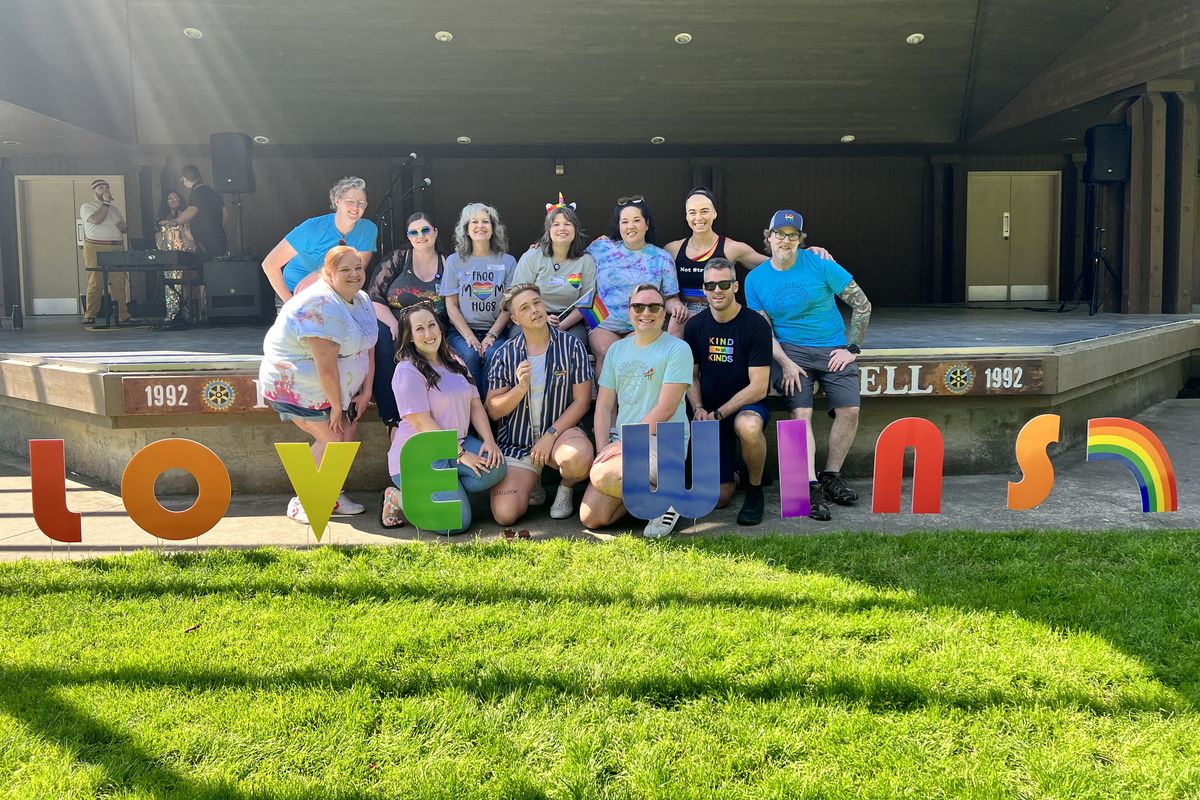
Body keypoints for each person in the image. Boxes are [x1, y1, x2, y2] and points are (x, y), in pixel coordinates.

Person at [745, 209, 872, 522]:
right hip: (789, 352)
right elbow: (764, 331)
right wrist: (785, 363)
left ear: (800, 240)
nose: (785, 240)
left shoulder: (820, 263)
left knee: (850, 411)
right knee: (799, 412)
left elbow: (862, 304)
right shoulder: (755, 279)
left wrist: (852, 348)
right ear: (768, 237)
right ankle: (809, 486)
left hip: (832, 348)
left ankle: (831, 475)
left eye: (792, 235)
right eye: (779, 234)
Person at [258, 246, 376, 524]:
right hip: (297, 388)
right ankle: (304, 499)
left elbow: (369, 345)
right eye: (345, 269)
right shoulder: (319, 305)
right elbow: (325, 365)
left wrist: (366, 390)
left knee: (346, 436)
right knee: (334, 438)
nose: (354, 274)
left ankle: (329, 494)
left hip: (338, 390)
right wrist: (337, 407)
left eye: (358, 268)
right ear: (328, 272)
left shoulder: (361, 299)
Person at [381, 303, 506, 534]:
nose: (428, 334)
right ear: (409, 338)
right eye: (419, 329)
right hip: (421, 455)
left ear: (440, 328)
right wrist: (460, 455)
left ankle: (448, 490)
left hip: (455, 444)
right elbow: (420, 421)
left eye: (431, 325)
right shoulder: (407, 370)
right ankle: (399, 498)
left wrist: (488, 439)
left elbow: (475, 403)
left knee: (496, 467)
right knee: (456, 523)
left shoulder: (455, 362)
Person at [580, 284, 693, 539]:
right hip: (624, 445)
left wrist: (623, 445)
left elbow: (666, 407)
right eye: (638, 306)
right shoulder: (617, 350)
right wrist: (602, 448)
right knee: (592, 518)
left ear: (664, 313)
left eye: (654, 307)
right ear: (629, 311)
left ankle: (666, 500)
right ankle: (655, 493)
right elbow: (605, 405)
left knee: (603, 475)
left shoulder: (677, 349)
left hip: (662, 443)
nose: (646, 312)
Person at [486, 284, 594, 525]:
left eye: (536, 302)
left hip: (559, 436)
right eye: (525, 308)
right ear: (514, 319)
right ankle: (532, 482)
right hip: (517, 443)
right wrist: (520, 388)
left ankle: (564, 489)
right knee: (505, 515)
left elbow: (582, 401)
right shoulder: (504, 354)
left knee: (577, 460)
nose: (534, 310)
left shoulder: (571, 345)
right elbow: (493, 410)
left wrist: (550, 435)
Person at [664, 187, 833, 337]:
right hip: (684, 314)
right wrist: (676, 305)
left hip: (719, 311)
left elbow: (775, 264)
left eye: (704, 211)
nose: (698, 217)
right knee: (676, 330)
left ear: (714, 213)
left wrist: (805, 255)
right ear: (686, 215)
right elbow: (663, 290)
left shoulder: (732, 248)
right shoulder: (673, 249)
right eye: (692, 212)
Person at [682, 258, 772, 526]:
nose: (717, 290)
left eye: (723, 284)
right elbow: (691, 375)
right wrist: (698, 407)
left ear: (735, 286)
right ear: (704, 289)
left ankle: (755, 491)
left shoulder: (755, 325)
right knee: (720, 499)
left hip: (744, 407)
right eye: (710, 285)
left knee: (749, 427)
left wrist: (721, 413)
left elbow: (759, 387)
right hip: (709, 414)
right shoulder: (695, 326)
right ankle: (736, 470)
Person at [586, 196, 684, 376]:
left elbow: (670, 298)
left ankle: (632, 404)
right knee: (606, 352)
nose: (630, 226)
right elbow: (572, 257)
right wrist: (543, 246)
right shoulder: (601, 247)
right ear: (619, 226)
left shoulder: (662, 257)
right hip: (602, 322)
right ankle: (606, 405)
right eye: (625, 222)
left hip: (642, 322)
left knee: (632, 355)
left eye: (636, 220)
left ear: (646, 224)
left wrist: (676, 305)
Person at [367, 212, 447, 430]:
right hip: (395, 321)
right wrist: (393, 324)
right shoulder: (398, 259)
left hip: (431, 326)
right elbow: (374, 297)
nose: (420, 236)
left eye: (425, 230)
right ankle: (391, 419)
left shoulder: (448, 264)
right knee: (383, 340)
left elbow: (453, 305)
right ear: (409, 236)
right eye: (414, 232)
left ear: (435, 232)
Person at [262, 176, 378, 305]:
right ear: (337, 201)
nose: (356, 206)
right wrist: (290, 304)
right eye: (350, 201)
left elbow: (356, 270)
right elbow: (269, 265)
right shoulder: (311, 228)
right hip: (295, 292)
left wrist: (319, 276)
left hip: (335, 293)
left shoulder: (368, 229)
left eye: (361, 202)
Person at [439, 202, 514, 397]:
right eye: (474, 222)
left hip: (496, 330)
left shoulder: (508, 261)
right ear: (466, 229)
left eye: (485, 222)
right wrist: (469, 337)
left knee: (492, 354)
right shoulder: (454, 261)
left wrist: (492, 335)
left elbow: (509, 306)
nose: (480, 226)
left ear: (493, 228)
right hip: (462, 331)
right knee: (470, 356)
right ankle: (474, 414)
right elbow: (451, 306)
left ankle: (492, 413)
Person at [510, 195, 596, 347]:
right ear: (548, 230)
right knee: (518, 343)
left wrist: (560, 327)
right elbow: (517, 295)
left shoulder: (586, 261)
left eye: (567, 224)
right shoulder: (532, 256)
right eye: (556, 224)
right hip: (531, 314)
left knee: (574, 345)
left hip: (569, 319)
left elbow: (586, 302)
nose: (562, 228)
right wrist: (540, 318)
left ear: (575, 229)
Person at [80, 178, 139, 325]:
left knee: (118, 281)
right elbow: (95, 220)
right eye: (101, 188)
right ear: (94, 191)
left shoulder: (115, 210)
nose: (105, 190)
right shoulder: (88, 206)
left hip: (116, 246)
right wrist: (106, 203)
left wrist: (123, 226)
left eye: (107, 188)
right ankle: (90, 314)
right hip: (96, 247)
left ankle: (122, 314)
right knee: (96, 281)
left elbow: (124, 229)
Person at [155, 190, 196, 322]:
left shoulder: (185, 215)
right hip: (168, 256)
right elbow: (159, 238)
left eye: (176, 198)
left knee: (186, 284)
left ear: (180, 199)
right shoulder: (162, 217)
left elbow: (189, 234)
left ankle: (188, 313)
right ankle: (172, 314)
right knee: (170, 285)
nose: (173, 200)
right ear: (166, 202)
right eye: (170, 198)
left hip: (184, 254)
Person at [175, 165, 227, 260]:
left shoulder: (197, 192)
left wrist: (176, 222)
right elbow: (225, 214)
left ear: (185, 179)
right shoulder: (213, 191)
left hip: (206, 240)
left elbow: (192, 210)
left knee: (206, 268)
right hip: (219, 237)